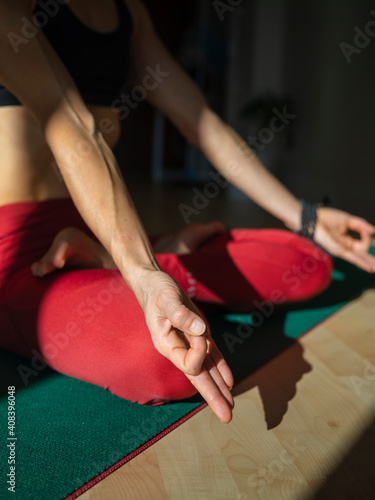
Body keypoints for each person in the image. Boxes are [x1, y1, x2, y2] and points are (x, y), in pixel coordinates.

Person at [0, 0, 374, 425]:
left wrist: (306, 217)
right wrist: (142, 274)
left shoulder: (129, 13)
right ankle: (145, 268)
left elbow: (203, 125)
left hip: (104, 232)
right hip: (18, 255)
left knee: (307, 263)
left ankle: (122, 263)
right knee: (170, 365)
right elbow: (74, 124)